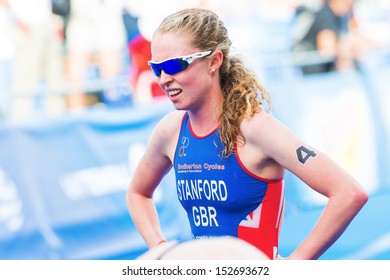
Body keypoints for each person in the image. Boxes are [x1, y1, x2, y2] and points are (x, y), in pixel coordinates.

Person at [126, 8, 368, 260]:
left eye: (176, 65)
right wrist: (161, 249)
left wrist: (295, 265)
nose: (164, 78)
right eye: (156, 68)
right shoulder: (170, 131)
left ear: (214, 61)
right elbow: (137, 193)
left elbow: (349, 192)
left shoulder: (256, 129)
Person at [291, 0, 362, 75]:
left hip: (325, 71)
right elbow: (327, 50)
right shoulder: (326, 16)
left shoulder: (342, 17)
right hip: (315, 71)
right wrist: (351, 52)